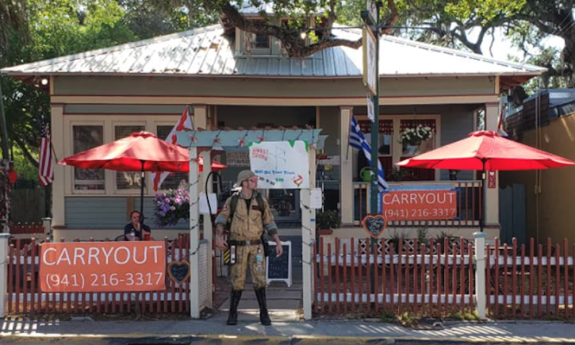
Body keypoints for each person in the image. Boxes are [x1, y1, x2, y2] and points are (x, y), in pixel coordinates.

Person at [215, 170, 282, 326]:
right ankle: (232, 313)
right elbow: (221, 220)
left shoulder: (261, 200)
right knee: (237, 280)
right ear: (244, 182)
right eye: (252, 179)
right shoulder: (232, 201)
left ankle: (264, 313)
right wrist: (218, 237)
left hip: (256, 246)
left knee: (260, 279)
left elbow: (269, 222)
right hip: (237, 247)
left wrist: (277, 241)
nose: (255, 181)